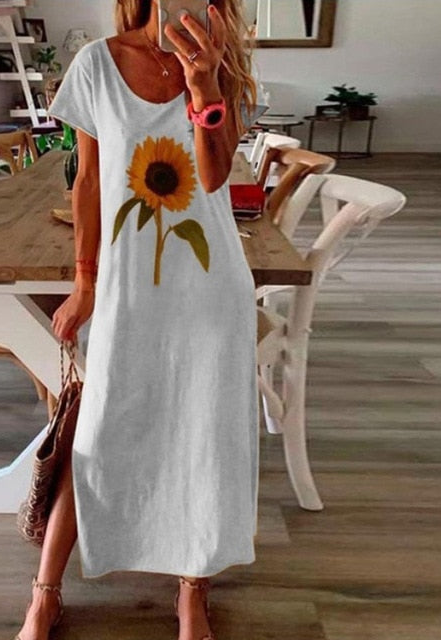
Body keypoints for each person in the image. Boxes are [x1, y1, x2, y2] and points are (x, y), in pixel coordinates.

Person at [14, 2, 258, 639]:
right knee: (96, 433)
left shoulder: (224, 64)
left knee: (204, 435)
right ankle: (44, 593)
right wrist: (85, 282)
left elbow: (213, 177)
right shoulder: (97, 63)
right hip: (126, 287)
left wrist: (204, 84)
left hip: (209, 288)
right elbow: (89, 181)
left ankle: (192, 591)